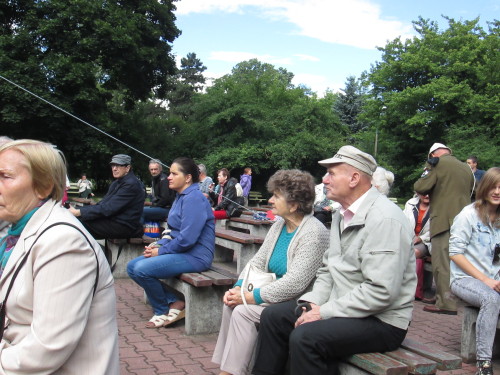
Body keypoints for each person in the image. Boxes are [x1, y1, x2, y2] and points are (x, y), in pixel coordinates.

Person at [252, 145, 416, 375]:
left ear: (354, 178)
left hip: (382, 321)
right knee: (273, 316)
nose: (324, 179)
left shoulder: (385, 219)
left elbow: (381, 292)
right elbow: (328, 270)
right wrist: (311, 303)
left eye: (331, 173)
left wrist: (324, 312)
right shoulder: (341, 214)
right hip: (344, 307)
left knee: (306, 337)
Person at [0, 139, 119, 374]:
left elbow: (46, 349)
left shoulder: (63, 241)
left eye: (5, 176)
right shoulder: (17, 231)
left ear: (43, 187)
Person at [212, 169, 329, 375]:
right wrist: (239, 288)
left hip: (297, 300)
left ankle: (230, 372)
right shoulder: (279, 225)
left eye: (276, 195)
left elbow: (296, 283)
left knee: (243, 311)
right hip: (272, 295)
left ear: (293, 204)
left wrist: (251, 296)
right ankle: (229, 369)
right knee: (231, 303)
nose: (270, 200)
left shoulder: (314, 232)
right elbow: (256, 262)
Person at [127, 157, 215, 328]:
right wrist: (158, 245)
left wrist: (160, 252)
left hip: (196, 255)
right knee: (132, 267)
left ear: (188, 177)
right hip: (182, 250)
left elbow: (188, 239)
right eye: (170, 173)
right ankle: (173, 301)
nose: (169, 176)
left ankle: (161, 310)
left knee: (142, 269)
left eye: (174, 173)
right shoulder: (181, 196)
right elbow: (171, 231)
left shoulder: (194, 198)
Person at [449, 167, 500, 375]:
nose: (497, 191)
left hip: (494, 279)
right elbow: (455, 253)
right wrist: (485, 280)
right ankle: (484, 363)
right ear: (484, 188)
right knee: (491, 299)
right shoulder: (468, 215)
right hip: (464, 279)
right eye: (493, 186)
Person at [414, 142, 474, 314]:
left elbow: (420, 187)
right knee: (457, 261)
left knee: (441, 263)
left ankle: (445, 304)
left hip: (443, 221)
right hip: (464, 220)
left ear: (433, 154)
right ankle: (443, 295)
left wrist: (429, 167)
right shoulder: (466, 167)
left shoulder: (436, 163)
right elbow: (471, 190)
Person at [69, 154, 145, 239]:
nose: (114, 169)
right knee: (74, 221)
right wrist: (78, 210)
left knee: (75, 223)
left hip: (125, 226)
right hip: (114, 221)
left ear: (127, 168)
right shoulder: (117, 183)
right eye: (113, 165)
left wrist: (78, 212)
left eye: (118, 165)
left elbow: (108, 208)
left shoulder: (131, 184)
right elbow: (102, 205)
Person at [403, 192, 432, 301]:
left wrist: (421, 238)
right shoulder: (410, 203)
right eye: (424, 193)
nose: (427, 195)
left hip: (426, 242)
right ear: (418, 192)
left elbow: (436, 229)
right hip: (408, 238)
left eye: (430, 192)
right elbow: (403, 221)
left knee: (413, 253)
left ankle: (410, 288)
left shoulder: (438, 207)